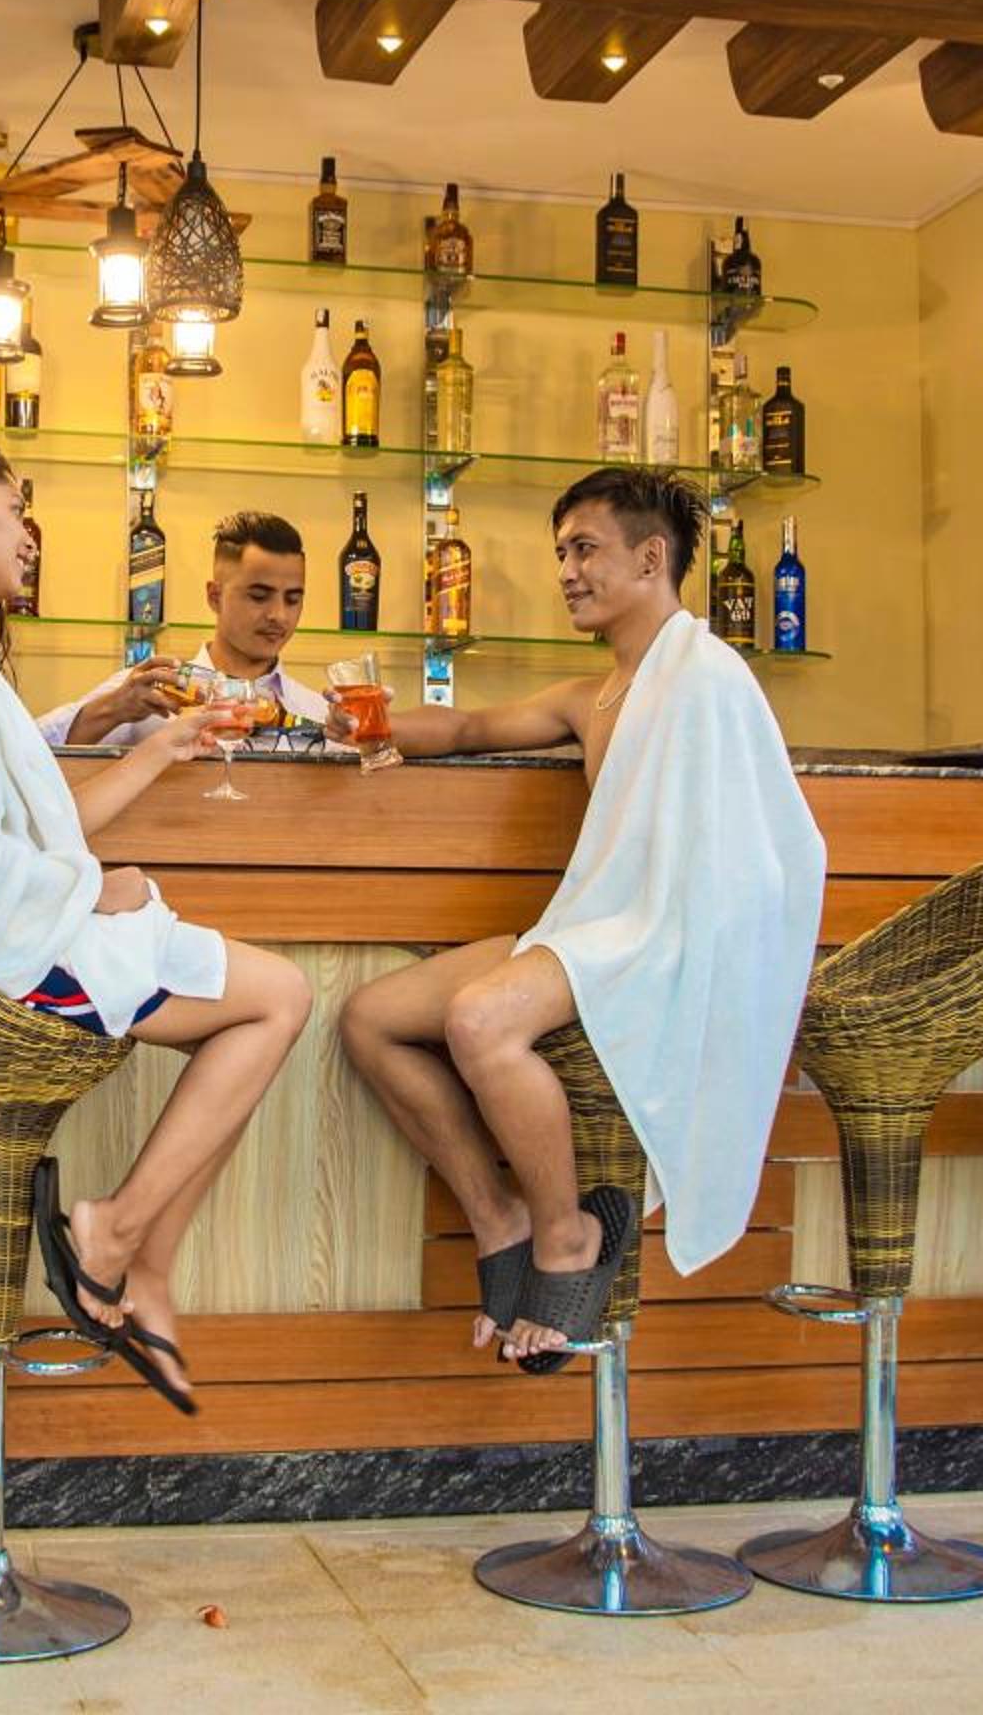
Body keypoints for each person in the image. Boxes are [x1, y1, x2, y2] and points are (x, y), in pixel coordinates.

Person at [0, 442, 311, 1412]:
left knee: (273, 997)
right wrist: (86, 894)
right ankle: (118, 1238)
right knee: (277, 998)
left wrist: (164, 744)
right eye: (13, 511)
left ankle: (138, 1256)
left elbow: (30, 826)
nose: (30, 536)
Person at [333, 467, 825, 1368]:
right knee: (372, 1019)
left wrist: (693, 942)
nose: (566, 571)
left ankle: (568, 1234)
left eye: (585, 549)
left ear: (651, 558)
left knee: (480, 1020)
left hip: (659, 935)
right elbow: (470, 727)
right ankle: (501, 1217)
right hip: (592, 928)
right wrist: (375, 728)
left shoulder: (709, 676)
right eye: (562, 552)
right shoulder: (593, 694)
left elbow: (775, 849)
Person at [37, 510, 331, 748]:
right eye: (258, 596)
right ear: (214, 596)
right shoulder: (146, 692)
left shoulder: (319, 715)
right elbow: (30, 750)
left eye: (293, 599)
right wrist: (112, 710)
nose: (279, 615)